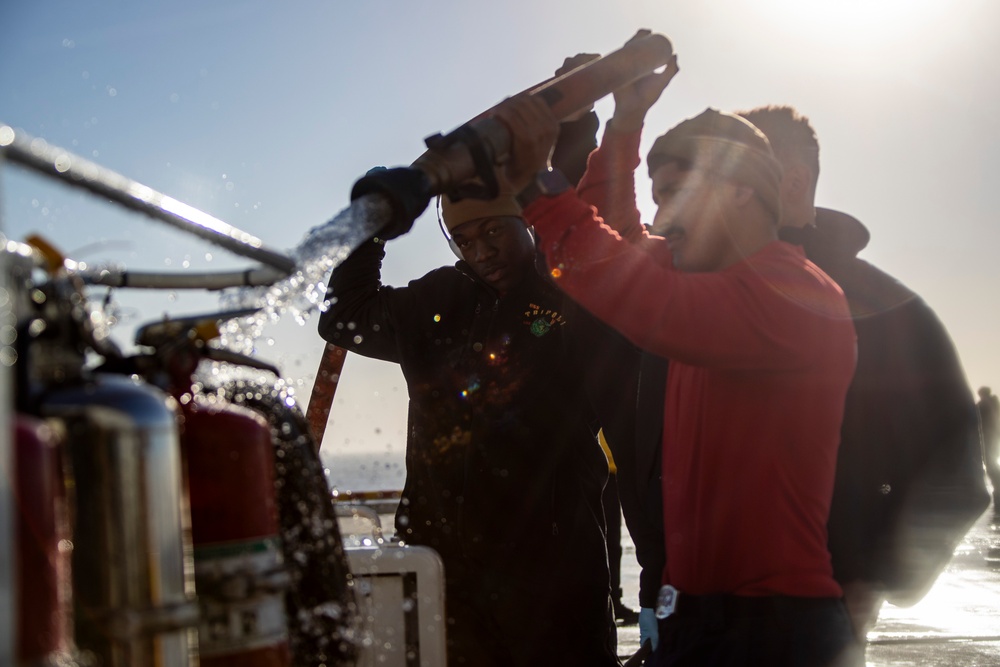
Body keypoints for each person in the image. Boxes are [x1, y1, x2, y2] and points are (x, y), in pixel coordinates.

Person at [492, 64, 862, 665]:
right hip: (689, 620)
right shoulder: (696, 277)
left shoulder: (796, 293)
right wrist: (626, 122)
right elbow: (606, 236)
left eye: (675, 196)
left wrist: (535, 181)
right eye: (658, 196)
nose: (661, 216)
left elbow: (634, 292)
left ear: (740, 186)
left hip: (774, 633)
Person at [318, 180, 631, 665]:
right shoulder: (436, 299)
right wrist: (372, 226)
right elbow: (343, 318)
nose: (482, 251)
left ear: (526, 222)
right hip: (444, 569)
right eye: (465, 240)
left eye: (494, 232)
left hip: (553, 571)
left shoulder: (574, 297)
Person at [737, 105, 990, 640]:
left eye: (732, 178)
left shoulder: (889, 311)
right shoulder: (698, 296)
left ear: (794, 181)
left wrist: (874, 578)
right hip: (688, 614)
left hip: (815, 620)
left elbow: (959, 473)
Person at [978, 386, 1000, 507]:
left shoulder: (984, 405)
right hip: (995, 437)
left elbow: (976, 418)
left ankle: (998, 488)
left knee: (990, 464)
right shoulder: (994, 404)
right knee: (992, 464)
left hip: (988, 438)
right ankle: (997, 488)